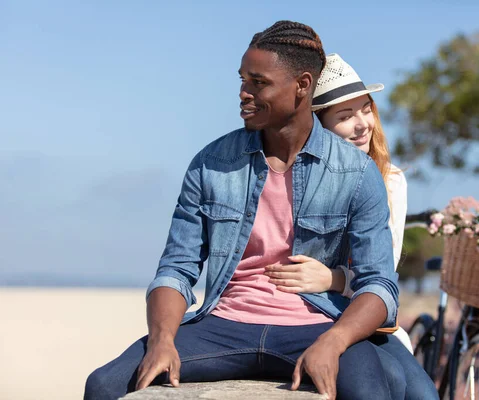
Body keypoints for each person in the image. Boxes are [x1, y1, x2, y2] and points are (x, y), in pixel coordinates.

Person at [84, 21, 417, 400]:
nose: (243, 94)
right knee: (104, 385)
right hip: (224, 325)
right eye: (242, 80)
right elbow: (177, 269)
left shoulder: (356, 173)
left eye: (258, 83)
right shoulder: (209, 163)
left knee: (371, 392)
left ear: (303, 86)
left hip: (315, 324)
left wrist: (335, 340)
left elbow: (379, 285)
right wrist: (163, 339)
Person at [264, 54, 439, 400]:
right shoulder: (291, 176)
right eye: (346, 116)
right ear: (317, 125)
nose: (363, 124)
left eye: (366, 109)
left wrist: (334, 278)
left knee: (424, 394)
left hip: (362, 313)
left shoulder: (391, 181)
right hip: (299, 311)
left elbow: (382, 270)